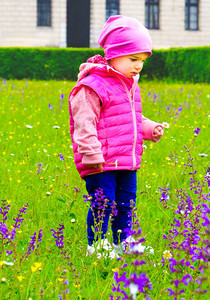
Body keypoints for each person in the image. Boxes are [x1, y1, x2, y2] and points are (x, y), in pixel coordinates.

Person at [68, 15, 163, 257]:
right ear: (113, 54)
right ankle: (97, 246)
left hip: (126, 160)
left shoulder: (129, 84)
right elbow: (84, 123)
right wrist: (90, 153)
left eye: (142, 60)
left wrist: (149, 129)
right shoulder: (93, 85)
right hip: (101, 161)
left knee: (126, 204)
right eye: (133, 59)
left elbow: (128, 118)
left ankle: (124, 242)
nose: (138, 66)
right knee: (104, 203)